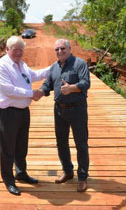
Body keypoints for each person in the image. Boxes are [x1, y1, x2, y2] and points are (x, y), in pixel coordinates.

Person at [0, 36, 50, 195]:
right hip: (8, 112)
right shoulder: (1, 67)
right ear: (7, 49)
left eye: (20, 50)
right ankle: (8, 180)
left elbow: (35, 75)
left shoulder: (21, 64)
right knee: (7, 148)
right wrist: (32, 93)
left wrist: (55, 67)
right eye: (14, 50)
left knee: (21, 146)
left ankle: (21, 173)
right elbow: (7, 89)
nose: (18, 53)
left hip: (24, 112)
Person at [36, 39, 90, 192]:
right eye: (57, 49)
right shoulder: (54, 67)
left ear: (69, 48)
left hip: (77, 109)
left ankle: (82, 177)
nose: (60, 51)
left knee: (81, 144)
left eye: (62, 48)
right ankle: (67, 171)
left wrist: (72, 88)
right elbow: (48, 84)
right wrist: (40, 92)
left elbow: (86, 83)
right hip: (59, 110)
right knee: (61, 143)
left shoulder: (80, 64)